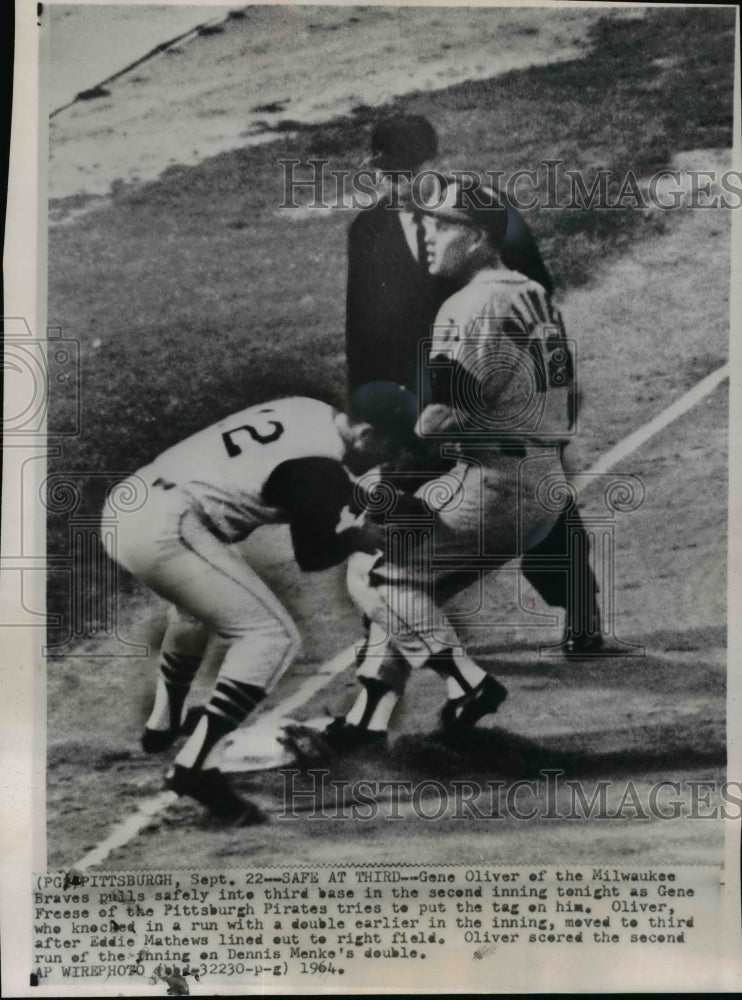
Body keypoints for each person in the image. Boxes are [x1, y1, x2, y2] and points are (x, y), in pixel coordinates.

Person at [318, 177, 582, 748]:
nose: (430, 237)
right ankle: (368, 714)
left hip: (495, 487)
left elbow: (442, 420)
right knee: (394, 570)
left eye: (443, 225)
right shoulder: (530, 292)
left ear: (480, 236)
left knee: (381, 578)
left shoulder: (470, 305)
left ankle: (468, 683)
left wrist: (389, 464)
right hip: (540, 483)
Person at [103, 395, 400, 823]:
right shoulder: (321, 467)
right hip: (163, 528)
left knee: (195, 609)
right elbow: (314, 555)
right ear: (367, 433)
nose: (388, 459)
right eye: (389, 448)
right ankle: (196, 767)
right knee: (271, 637)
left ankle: (163, 724)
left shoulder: (308, 409)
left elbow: (288, 480)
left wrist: (354, 499)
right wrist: (362, 537)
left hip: (132, 502)